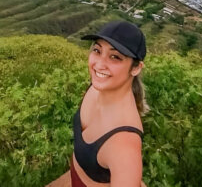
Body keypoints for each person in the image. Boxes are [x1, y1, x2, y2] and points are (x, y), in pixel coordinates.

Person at [47, 21, 149, 187]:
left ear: (136, 68)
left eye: (115, 57)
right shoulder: (97, 88)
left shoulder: (124, 145)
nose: (99, 64)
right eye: (97, 50)